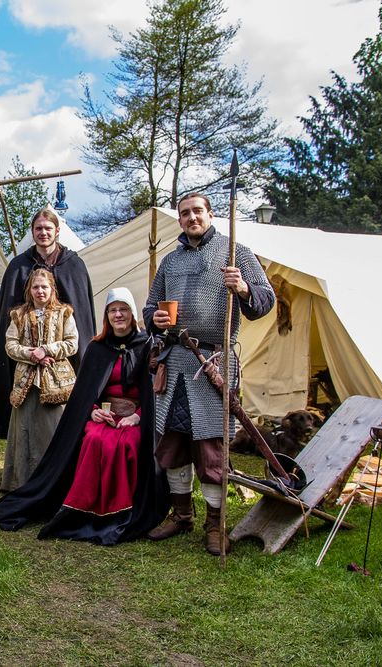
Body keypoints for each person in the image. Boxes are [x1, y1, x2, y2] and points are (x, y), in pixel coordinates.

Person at [142, 193, 274, 555]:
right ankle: (181, 514)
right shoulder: (170, 261)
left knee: (212, 449)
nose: (191, 218)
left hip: (214, 361)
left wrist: (243, 287)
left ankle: (216, 524)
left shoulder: (236, 252)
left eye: (197, 211)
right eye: (184, 213)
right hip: (176, 361)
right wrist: (153, 318)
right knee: (172, 444)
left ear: (210, 214)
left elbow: (266, 300)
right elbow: (150, 307)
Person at [0, 287, 170, 545]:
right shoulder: (97, 348)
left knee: (126, 443)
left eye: (123, 310)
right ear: (106, 316)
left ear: (132, 313)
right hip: (104, 416)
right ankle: (83, 508)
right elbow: (87, 393)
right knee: (95, 439)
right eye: (113, 310)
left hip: (134, 419)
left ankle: (122, 511)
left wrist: (138, 417)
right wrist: (94, 412)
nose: (118, 315)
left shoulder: (147, 346)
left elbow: (152, 394)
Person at [0, 205, 95, 442]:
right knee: (28, 423)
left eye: (48, 228)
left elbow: (82, 321)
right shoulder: (19, 266)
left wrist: (52, 351)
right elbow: (10, 319)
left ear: (57, 231)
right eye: (38, 228)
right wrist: (31, 353)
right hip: (26, 363)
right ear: (32, 231)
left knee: (61, 421)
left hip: (64, 363)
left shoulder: (74, 264)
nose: (43, 233)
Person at [1, 268, 78, 492]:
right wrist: (31, 355)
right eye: (36, 287)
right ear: (29, 290)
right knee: (23, 432)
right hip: (26, 381)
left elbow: (72, 343)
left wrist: (46, 350)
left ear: (52, 289)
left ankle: (54, 484)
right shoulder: (19, 315)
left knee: (53, 431)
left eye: (44, 287)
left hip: (56, 381)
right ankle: (21, 483)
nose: (40, 291)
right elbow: (10, 345)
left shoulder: (64, 313)